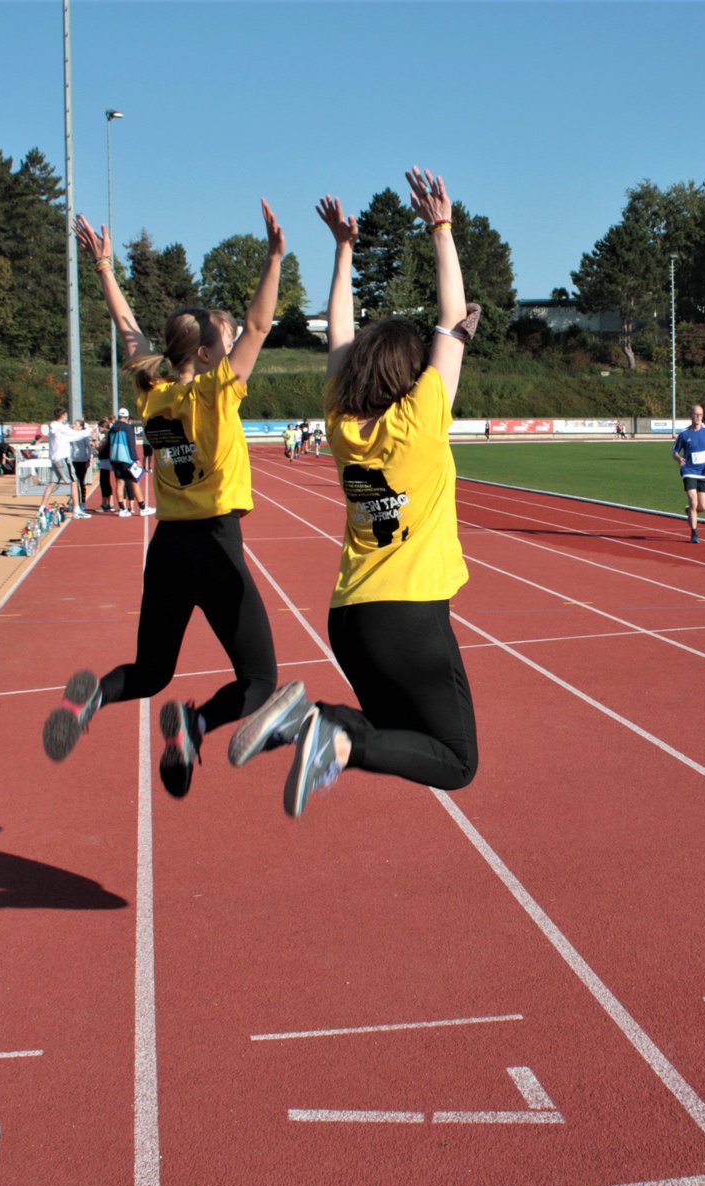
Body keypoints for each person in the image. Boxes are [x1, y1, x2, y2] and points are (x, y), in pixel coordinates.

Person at [229, 168, 479, 818]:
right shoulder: (422, 419)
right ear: (411, 375)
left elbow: (340, 339)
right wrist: (441, 226)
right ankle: (324, 735)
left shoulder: (343, 426)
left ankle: (308, 721)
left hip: (349, 617)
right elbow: (453, 315)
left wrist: (344, 250)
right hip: (412, 616)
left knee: (386, 733)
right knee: (455, 760)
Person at [42, 200, 285, 799]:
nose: (232, 343)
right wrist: (275, 257)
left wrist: (103, 267)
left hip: (169, 546)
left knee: (150, 672)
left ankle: (94, 696)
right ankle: (196, 725)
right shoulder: (215, 393)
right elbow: (257, 326)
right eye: (221, 340)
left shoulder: (152, 393)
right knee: (259, 679)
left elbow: (130, 334)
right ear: (204, 354)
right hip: (215, 544)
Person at [672, 402, 705, 544]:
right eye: (695, 414)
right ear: (690, 416)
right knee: (693, 501)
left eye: (700, 414)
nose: (698, 417)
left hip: (704, 472)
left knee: (702, 507)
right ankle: (694, 532)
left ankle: (690, 512)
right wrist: (679, 459)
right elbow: (674, 452)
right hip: (689, 471)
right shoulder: (684, 434)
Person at [39, 406, 93, 519]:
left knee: (52, 483)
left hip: (54, 459)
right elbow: (76, 434)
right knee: (74, 481)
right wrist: (89, 430)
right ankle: (77, 509)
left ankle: (42, 508)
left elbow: (71, 436)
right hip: (63, 458)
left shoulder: (53, 427)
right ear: (63, 415)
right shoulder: (61, 428)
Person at [107, 408, 155, 517]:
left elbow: (109, 444)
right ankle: (143, 508)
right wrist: (135, 459)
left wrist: (111, 460)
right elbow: (131, 444)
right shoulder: (128, 428)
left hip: (115, 458)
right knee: (135, 482)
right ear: (127, 417)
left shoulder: (113, 428)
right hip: (127, 459)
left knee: (120, 483)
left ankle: (122, 509)